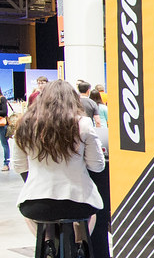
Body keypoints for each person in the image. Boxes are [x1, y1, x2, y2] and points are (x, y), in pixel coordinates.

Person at [12, 79, 105, 247]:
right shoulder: (82, 124)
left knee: (32, 217)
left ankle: (48, 245)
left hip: (35, 203)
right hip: (78, 202)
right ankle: (79, 246)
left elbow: (19, 166)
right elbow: (97, 166)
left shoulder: (24, 125)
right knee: (90, 212)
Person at [0, 91, 10, 171]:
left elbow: (4, 112)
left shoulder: (2, 98)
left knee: (4, 144)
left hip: (2, 125)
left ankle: (6, 164)